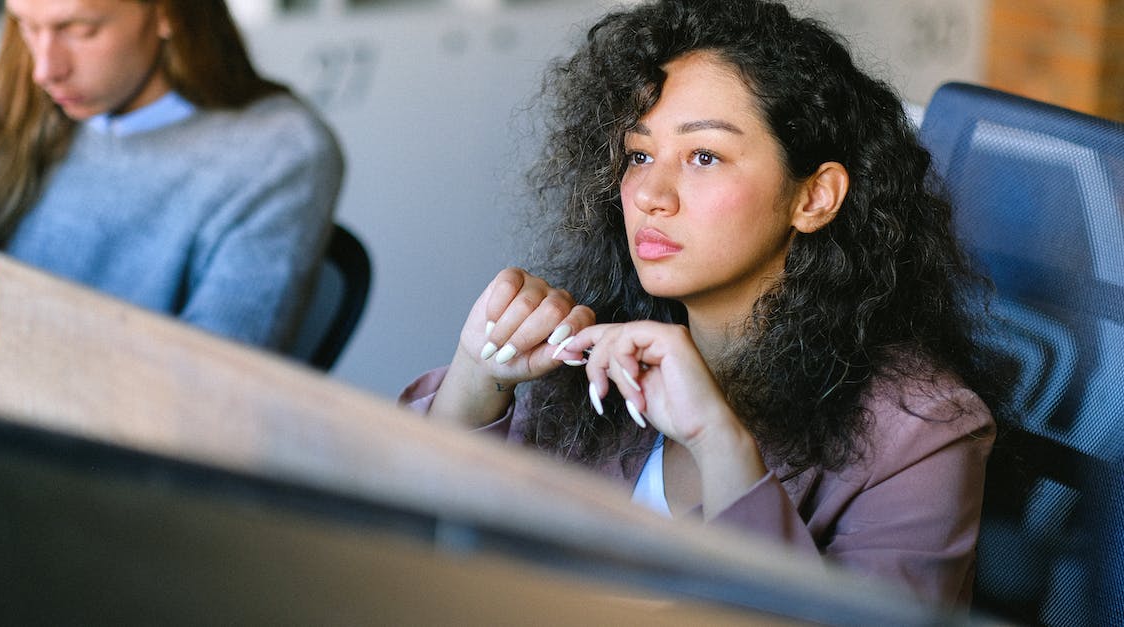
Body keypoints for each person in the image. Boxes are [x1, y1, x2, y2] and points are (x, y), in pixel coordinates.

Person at [401, 0, 1014, 609]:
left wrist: (719, 441)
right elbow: (401, 552)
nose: (651, 195)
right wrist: (475, 378)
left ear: (815, 197)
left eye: (704, 157)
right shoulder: (592, 350)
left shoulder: (920, 434)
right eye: (639, 155)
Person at [0, 0, 343, 353]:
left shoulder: (276, 153)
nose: (45, 70)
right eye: (26, 27)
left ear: (168, 14)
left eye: (80, 30)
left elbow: (208, 393)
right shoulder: (10, 98)